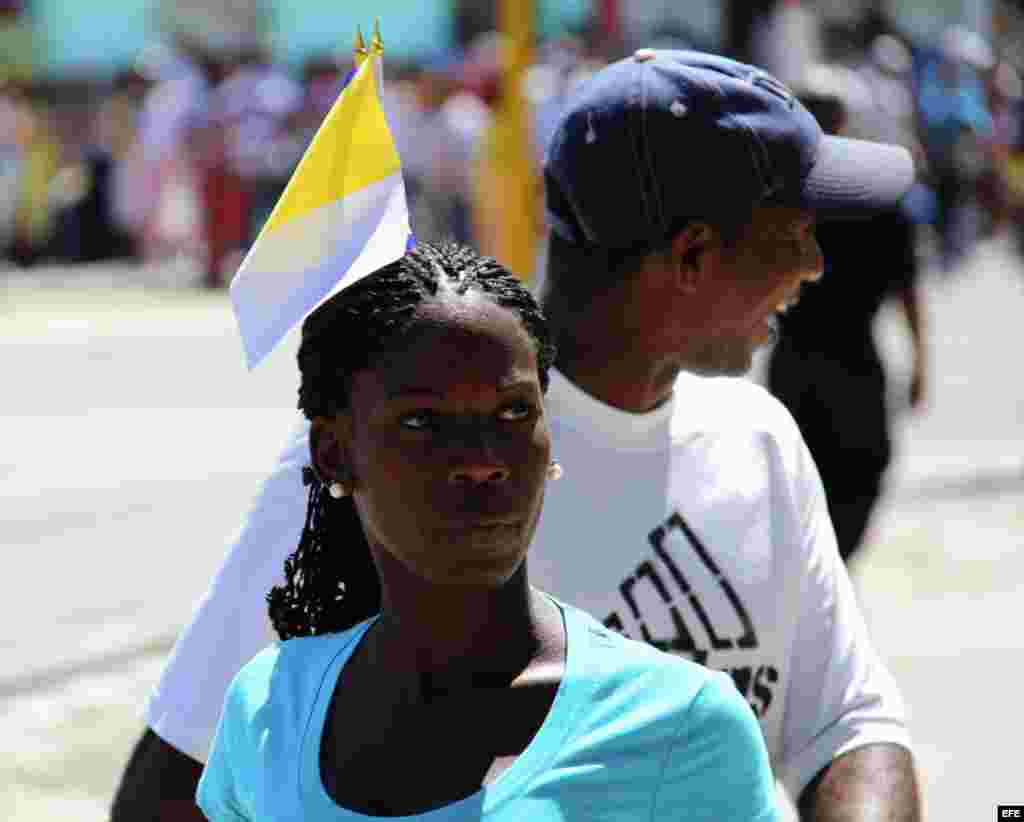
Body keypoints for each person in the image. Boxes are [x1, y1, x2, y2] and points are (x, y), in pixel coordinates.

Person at [112, 50, 922, 821]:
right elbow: (177, 783)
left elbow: (848, 729)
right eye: (791, 233)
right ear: (693, 255)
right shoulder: (390, 467)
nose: (816, 265)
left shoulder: (759, 442)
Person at [196, 241, 778, 820]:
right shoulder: (271, 711)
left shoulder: (679, 728)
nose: (480, 459)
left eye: (514, 411)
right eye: (423, 421)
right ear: (334, 454)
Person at [767, 87, 928, 564]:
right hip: (839, 365)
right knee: (839, 476)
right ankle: (831, 564)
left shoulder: (781, 198)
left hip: (812, 362)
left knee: (834, 477)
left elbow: (908, 287)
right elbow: (909, 291)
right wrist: (921, 360)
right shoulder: (876, 196)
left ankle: (829, 564)